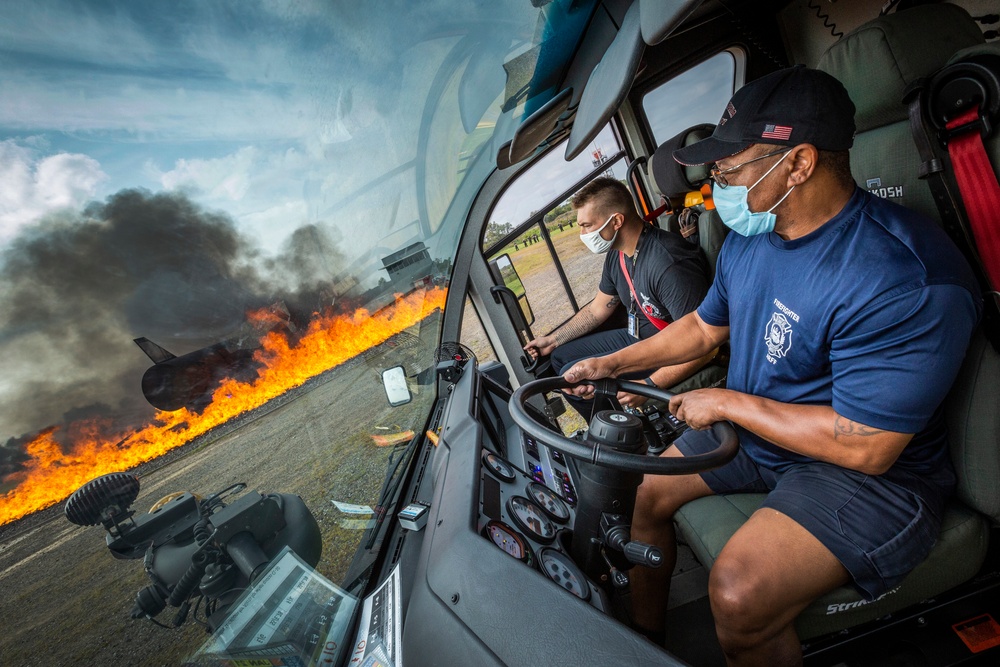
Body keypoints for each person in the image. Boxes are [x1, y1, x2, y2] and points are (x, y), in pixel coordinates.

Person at [563, 66, 981, 666]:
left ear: (799, 164)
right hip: (764, 436)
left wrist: (730, 403)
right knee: (639, 495)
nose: (719, 184)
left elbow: (868, 447)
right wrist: (612, 362)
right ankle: (647, 645)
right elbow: (705, 328)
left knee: (736, 596)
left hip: (870, 478)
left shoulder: (900, 276)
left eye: (731, 170)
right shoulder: (750, 241)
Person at [523, 176, 719, 415]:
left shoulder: (668, 264)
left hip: (668, 347)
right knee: (561, 357)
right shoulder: (617, 255)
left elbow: (706, 345)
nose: (582, 234)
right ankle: (608, 431)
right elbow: (597, 310)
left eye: (586, 225)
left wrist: (648, 386)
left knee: (576, 376)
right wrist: (552, 340)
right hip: (636, 336)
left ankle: (620, 439)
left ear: (616, 221)